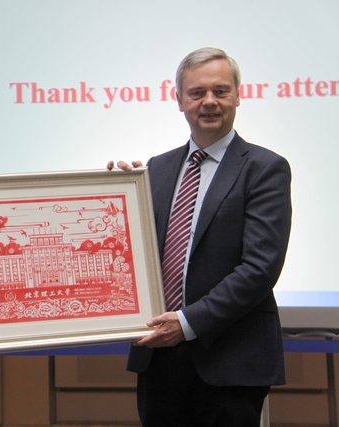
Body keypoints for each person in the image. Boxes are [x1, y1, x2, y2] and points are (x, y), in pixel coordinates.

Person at [108, 47, 292, 427]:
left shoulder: (265, 168)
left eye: (220, 91)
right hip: (159, 359)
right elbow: (132, 254)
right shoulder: (156, 169)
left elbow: (260, 268)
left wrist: (187, 322)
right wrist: (112, 197)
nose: (209, 101)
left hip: (230, 361)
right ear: (179, 100)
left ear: (238, 96)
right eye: (197, 93)